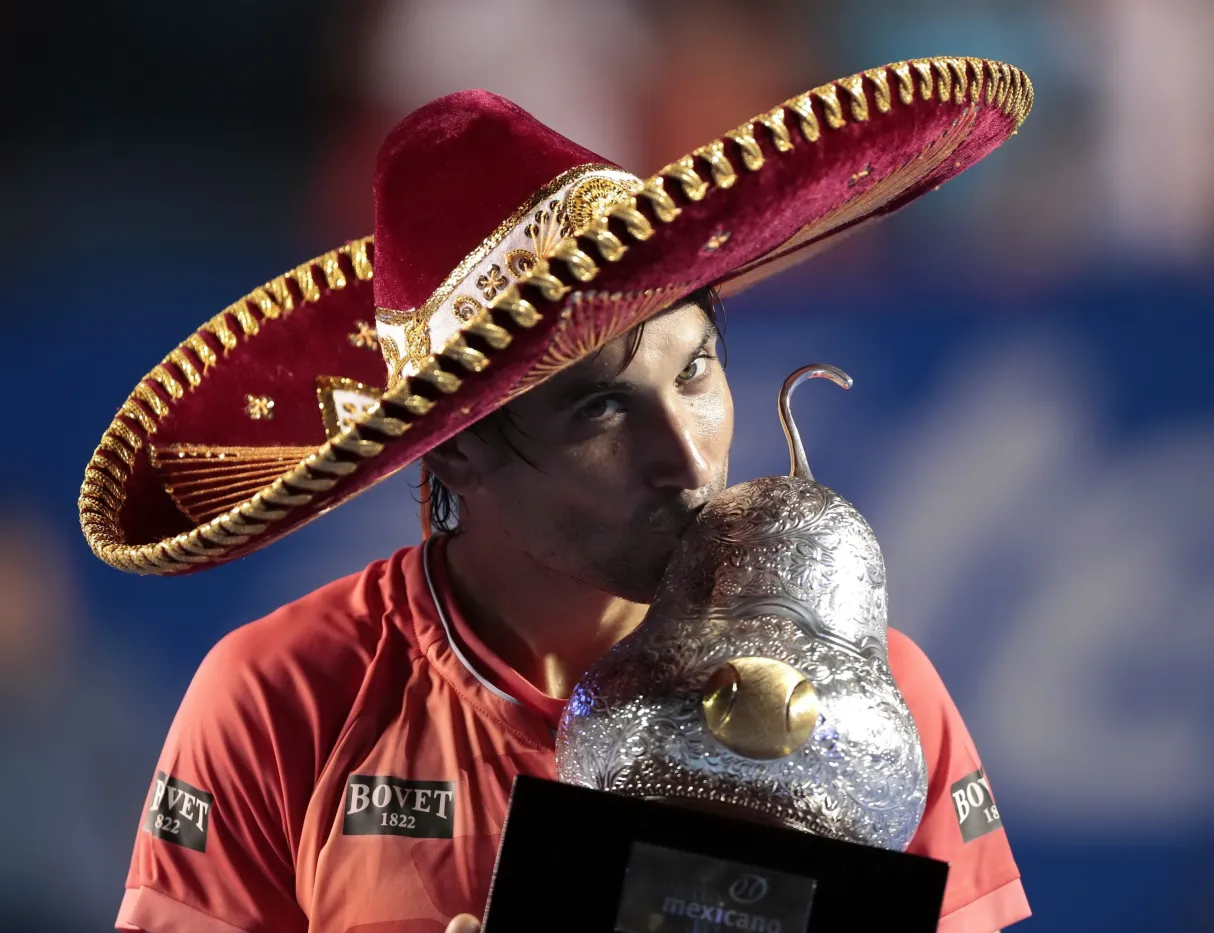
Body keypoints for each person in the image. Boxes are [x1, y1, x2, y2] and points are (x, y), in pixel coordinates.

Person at [80, 55, 1037, 933]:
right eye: (601, 410)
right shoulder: (279, 697)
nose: (687, 457)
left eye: (695, 370)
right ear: (455, 452)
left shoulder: (879, 697)